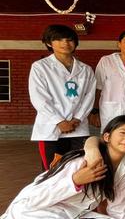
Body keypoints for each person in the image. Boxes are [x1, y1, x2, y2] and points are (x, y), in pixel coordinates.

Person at [29, 24, 96, 169]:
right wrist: (59, 121)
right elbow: (39, 98)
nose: (65, 43)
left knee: (78, 168)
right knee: (52, 170)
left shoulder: (86, 69)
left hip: (78, 128)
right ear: (49, 43)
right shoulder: (40, 67)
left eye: (69, 39)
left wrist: (78, 118)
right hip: (51, 129)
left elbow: (89, 97)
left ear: (75, 43)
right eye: (59, 39)